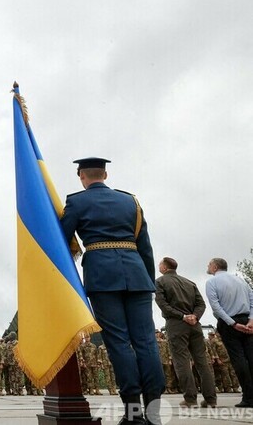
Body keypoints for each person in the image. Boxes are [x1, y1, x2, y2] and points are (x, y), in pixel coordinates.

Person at [59, 157, 165, 425]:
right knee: (146, 341)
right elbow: (146, 246)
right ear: (105, 175)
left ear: (81, 175)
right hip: (137, 274)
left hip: (102, 276)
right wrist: (148, 281)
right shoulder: (131, 201)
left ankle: (134, 413)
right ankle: (153, 412)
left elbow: (62, 237)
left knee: (118, 342)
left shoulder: (76, 201)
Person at [154, 256, 216, 408]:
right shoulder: (190, 283)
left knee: (182, 362)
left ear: (164, 267)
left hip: (176, 325)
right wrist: (194, 316)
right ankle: (210, 399)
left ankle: (190, 399)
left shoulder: (160, 282)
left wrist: (182, 316)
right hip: (195, 325)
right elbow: (201, 304)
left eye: (160, 265)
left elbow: (162, 304)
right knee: (202, 362)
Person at [205, 257, 253, 408]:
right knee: (251, 357)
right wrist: (251, 319)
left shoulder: (211, 282)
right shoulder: (241, 280)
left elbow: (216, 307)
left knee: (238, 359)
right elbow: (252, 301)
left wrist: (232, 323)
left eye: (209, 264)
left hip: (229, 323)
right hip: (247, 321)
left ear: (214, 267)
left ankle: (249, 397)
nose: (208, 266)